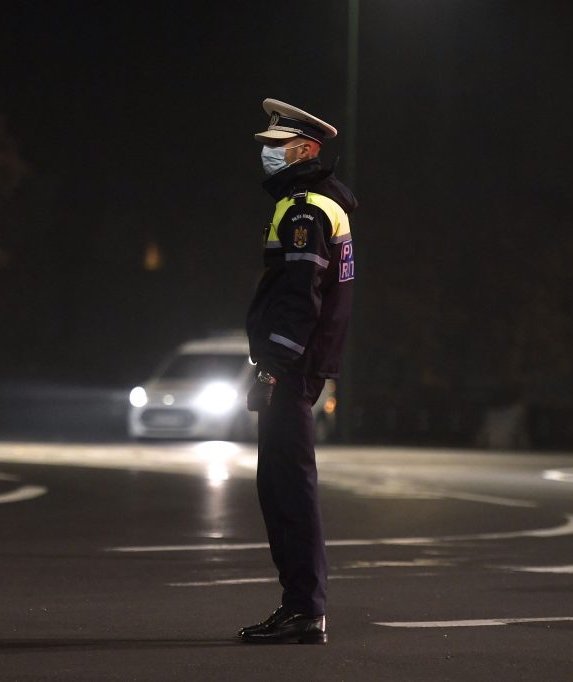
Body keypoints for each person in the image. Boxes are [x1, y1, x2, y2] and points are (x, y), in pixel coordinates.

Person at [238, 98, 358, 645]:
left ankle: (304, 608)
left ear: (306, 149)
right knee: (281, 484)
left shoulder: (305, 207)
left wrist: (272, 366)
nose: (267, 155)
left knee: (288, 486)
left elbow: (299, 299)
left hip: (291, 368)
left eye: (276, 148)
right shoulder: (313, 203)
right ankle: (300, 606)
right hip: (298, 366)